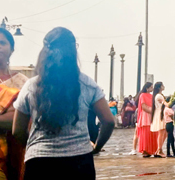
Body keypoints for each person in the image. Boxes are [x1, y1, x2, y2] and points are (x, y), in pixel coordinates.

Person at [11, 27, 114, 180]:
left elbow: (17, 131)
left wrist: (35, 145)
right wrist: (97, 147)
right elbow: (108, 121)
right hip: (79, 161)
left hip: (39, 163)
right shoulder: (87, 84)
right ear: (74, 51)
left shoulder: (31, 86)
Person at [0, 26, 29, 180]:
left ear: (12, 49)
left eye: (2, 43)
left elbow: (27, 117)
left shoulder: (22, 82)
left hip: (14, 147)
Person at [135, 82, 157, 157]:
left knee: (152, 133)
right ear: (147, 88)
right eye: (151, 87)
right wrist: (152, 111)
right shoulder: (142, 95)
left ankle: (152, 150)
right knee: (146, 133)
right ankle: (145, 150)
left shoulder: (152, 96)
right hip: (146, 115)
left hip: (151, 115)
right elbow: (143, 107)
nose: (152, 88)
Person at [150, 82, 168, 157]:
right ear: (160, 87)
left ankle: (159, 149)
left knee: (164, 132)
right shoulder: (158, 96)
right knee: (161, 132)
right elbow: (166, 104)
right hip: (160, 114)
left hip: (161, 113)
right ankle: (159, 150)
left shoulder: (159, 95)